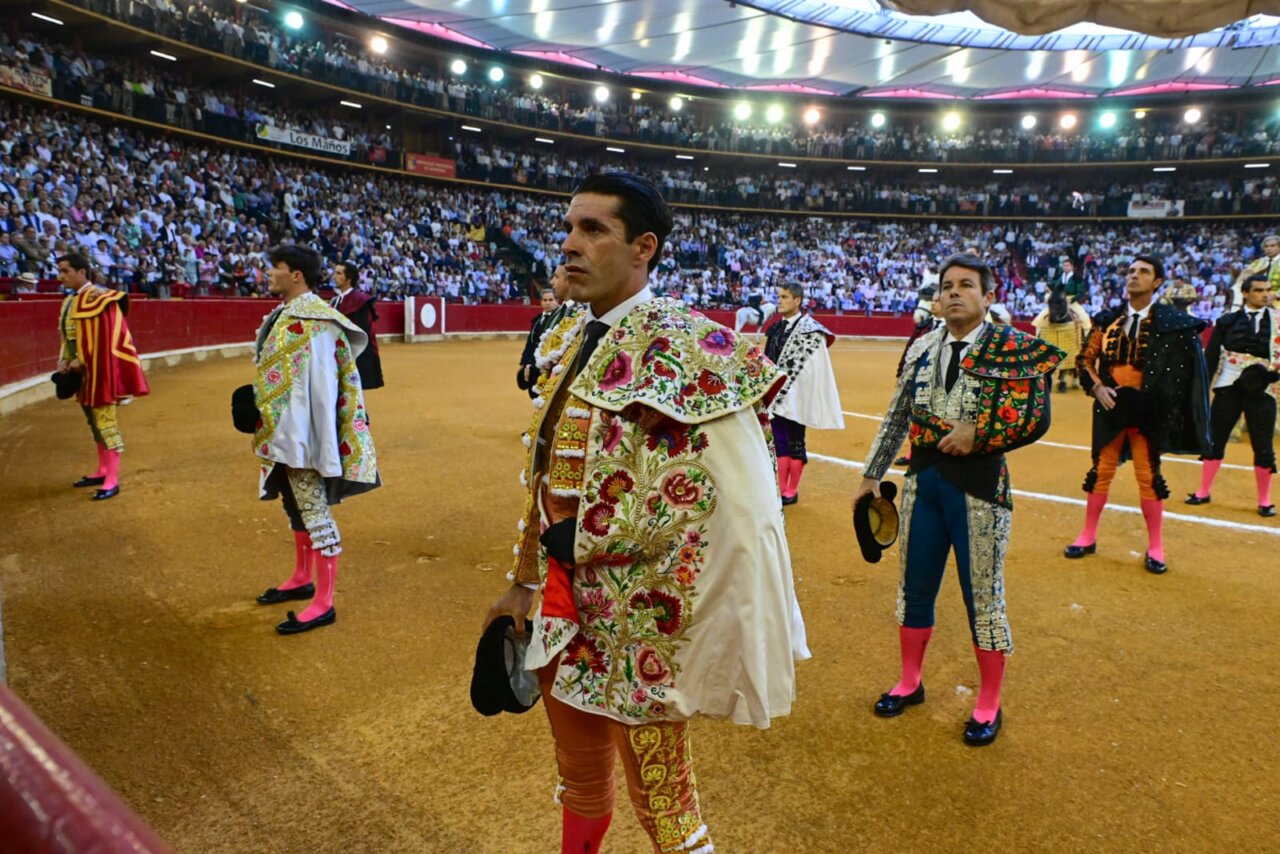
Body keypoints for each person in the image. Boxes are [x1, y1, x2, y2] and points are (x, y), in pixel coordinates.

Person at [484, 172, 808, 852]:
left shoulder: (687, 345)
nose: (570, 244)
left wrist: (599, 535)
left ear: (643, 249)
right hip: (560, 608)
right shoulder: (571, 336)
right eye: (569, 228)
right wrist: (523, 578)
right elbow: (545, 474)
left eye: (593, 229)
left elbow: (738, 502)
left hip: (640, 623)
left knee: (666, 802)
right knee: (579, 778)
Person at [854, 253, 1064, 747]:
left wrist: (980, 432)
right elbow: (897, 415)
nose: (953, 292)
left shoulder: (1013, 346)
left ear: (989, 296)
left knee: (984, 598)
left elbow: (1035, 418)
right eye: (947, 285)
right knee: (914, 586)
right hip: (923, 481)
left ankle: (988, 702)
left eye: (966, 285)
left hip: (981, 486)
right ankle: (910, 681)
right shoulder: (924, 345)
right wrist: (871, 473)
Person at [250, 245, 379, 634]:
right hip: (286, 432)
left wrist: (311, 441)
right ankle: (302, 577)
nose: (269, 273)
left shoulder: (318, 322)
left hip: (302, 436)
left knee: (315, 510)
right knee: (294, 506)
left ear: (297, 275)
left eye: (276, 267)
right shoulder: (288, 314)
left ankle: (324, 601)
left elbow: (322, 389)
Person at [1064, 255, 1211, 574]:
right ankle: (1088, 535)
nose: (1133, 276)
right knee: (1101, 470)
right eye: (1130, 271)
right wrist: (1098, 389)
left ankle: (1156, 546)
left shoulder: (1172, 323)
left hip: (1149, 410)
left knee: (1148, 475)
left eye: (1143, 272)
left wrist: (1157, 404)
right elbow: (1084, 361)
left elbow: (1180, 376)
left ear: (1157, 282)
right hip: (1112, 404)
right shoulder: (1107, 320)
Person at [55, 252, 150, 501]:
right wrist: (65, 358)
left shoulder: (101, 298)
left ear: (82, 272)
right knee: (92, 421)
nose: (60, 276)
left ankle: (112, 480)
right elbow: (69, 337)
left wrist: (82, 360)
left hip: (100, 371)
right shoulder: (69, 302)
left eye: (65, 271)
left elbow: (108, 340)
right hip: (83, 374)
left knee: (106, 423)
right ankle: (102, 470)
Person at [1186, 273, 1279, 516]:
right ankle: (1203, 491)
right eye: (1259, 290)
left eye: (1267, 290)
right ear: (1246, 293)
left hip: (1264, 388)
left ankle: (1264, 499)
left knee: (1263, 444)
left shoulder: (1278, 320)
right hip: (1229, 385)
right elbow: (1212, 355)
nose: (1265, 294)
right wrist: (1203, 389)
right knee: (1216, 439)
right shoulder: (1226, 321)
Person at [764, 282, 844, 505]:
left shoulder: (810, 330)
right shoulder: (776, 328)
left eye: (785, 297)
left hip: (797, 396)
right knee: (779, 442)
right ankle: (781, 489)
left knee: (796, 442)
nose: (779, 301)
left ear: (797, 300)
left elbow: (815, 369)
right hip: (776, 395)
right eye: (779, 296)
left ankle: (792, 489)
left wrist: (798, 393)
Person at [329, 262, 384, 391]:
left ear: (349, 279)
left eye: (339, 273)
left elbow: (365, 334)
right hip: (337, 354)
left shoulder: (360, 301)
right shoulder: (335, 301)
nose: (334, 276)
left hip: (354, 354)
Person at [517, 276, 564, 399]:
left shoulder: (562, 320)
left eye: (550, 300)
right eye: (545, 300)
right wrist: (525, 363)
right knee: (534, 395)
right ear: (541, 302)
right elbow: (530, 343)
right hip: (534, 366)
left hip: (549, 367)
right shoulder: (537, 320)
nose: (548, 303)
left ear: (556, 301)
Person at [1231, 234, 1280, 309]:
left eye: (1272, 246)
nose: (1269, 249)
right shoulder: (1258, 263)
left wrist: (1276, 295)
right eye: (1266, 246)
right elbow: (1244, 278)